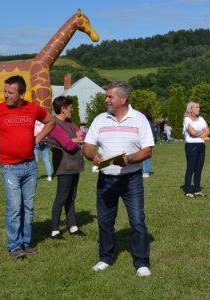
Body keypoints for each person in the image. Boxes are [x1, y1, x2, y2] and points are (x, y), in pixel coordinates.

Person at [0, 75, 55, 258]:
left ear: (22, 94)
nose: (6, 95)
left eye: (10, 92)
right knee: (15, 207)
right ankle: (14, 246)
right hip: (9, 167)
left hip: (30, 166)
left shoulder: (33, 109)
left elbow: (51, 121)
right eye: (5, 91)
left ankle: (25, 243)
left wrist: (38, 139)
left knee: (28, 207)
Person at [83, 81, 154, 277]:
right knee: (105, 222)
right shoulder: (100, 119)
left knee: (138, 221)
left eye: (109, 97)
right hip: (106, 180)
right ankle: (105, 258)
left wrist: (129, 158)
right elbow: (87, 146)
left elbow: (148, 150)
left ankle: (141, 262)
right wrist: (92, 156)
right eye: (106, 96)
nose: (106, 100)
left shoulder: (139, 119)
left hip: (132, 180)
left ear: (123, 99)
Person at [47, 96, 86, 241]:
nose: (72, 109)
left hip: (74, 166)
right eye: (70, 107)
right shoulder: (54, 124)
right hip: (64, 167)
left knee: (71, 198)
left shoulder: (69, 123)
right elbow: (68, 145)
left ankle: (73, 227)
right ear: (63, 108)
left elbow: (84, 136)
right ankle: (55, 230)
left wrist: (76, 139)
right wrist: (75, 140)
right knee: (61, 198)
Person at [183, 101, 210, 198]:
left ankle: (197, 190)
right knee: (191, 168)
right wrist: (201, 132)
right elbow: (192, 133)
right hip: (191, 146)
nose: (199, 109)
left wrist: (199, 132)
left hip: (201, 145)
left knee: (199, 169)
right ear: (191, 109)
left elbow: (207, 132)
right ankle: (188, 191)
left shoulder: (201, 119)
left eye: (199, 107)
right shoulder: (187, 119)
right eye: (196, 107)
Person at [142, 109, 157, 178]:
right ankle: (145, 171)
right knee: (146, 157)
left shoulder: (146, 123)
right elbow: (154, 133)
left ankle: (146, 171)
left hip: (147, 141)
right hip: (149, 141)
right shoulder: (151, 123)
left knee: (145, 157)